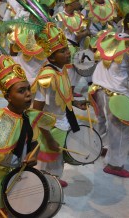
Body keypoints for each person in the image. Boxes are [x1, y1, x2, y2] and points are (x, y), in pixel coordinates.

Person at [0, 55, 56, 217]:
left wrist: (33, 156)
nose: (28, 94)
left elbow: (34, 144)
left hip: (22, 176)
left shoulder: (30, 117)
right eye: (21, 91)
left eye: (28, 89)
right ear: (8, 96)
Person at [89, 11, 129, 178]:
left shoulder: (109, 37)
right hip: (117, 95)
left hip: (96, 88)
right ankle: (115, 165)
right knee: (121, 131)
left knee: (102, 122)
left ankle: (102, 147)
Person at [32, 23, 87, 187]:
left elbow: (62, 96)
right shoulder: (47, 77)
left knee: (57, 157)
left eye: (67, 49)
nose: (68, 52)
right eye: (62, 51)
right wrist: (48, 137)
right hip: (50, 126)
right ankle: (45, 184)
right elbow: (37, 111)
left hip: (62, 122)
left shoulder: (61, 70)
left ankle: (54, 179)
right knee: (47, 158)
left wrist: (76, 103)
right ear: (51, 57)